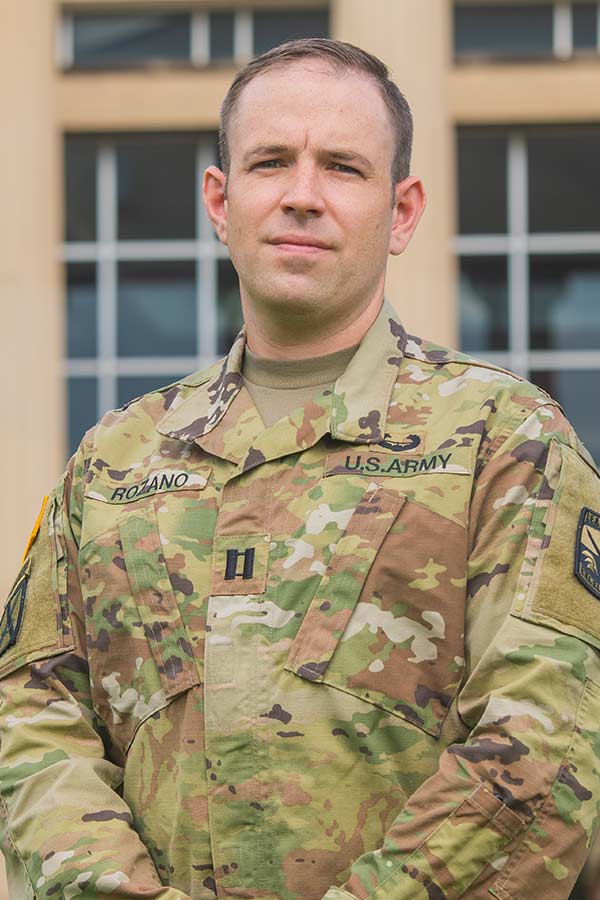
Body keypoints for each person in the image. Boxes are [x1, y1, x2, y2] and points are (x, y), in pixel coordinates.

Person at [1, 37, 599, 900]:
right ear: (221, 200)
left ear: (402, 211)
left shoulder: (505, 442)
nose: (302, 195)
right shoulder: (112, 464)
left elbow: (542, 745)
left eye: (343, 168)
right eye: (271, 162)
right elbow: (32, 719)